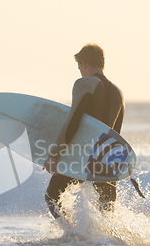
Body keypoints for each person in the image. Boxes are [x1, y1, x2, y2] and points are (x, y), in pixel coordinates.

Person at [43, 43, 125, 219]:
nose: (80, 70)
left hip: (81, 155)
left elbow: (72, 122)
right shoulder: (119, 93)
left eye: (79, 66)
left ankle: (73, 235)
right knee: (106, 211)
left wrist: (55, 154)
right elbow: (116, 135)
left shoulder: (83, 84)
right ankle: (106, 242)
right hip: (105, 159)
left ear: (85, 63)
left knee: (52, 196)